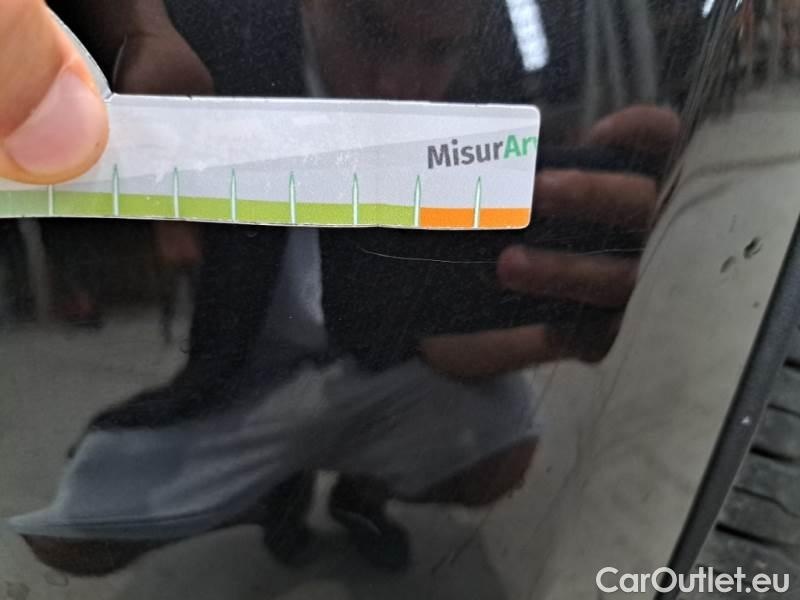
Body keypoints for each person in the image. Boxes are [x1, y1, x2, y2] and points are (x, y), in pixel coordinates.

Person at [1, 0, 679, 576]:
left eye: (437, 51)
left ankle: (361, 492)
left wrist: (558, 333)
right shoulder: (226, 54)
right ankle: (279, 482)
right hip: (244, 382)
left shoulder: (470, 119)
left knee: (506, 443)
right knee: (70, 536)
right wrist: (137, 35)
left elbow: (440, 342)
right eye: (371, 31)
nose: (399, 84)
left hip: (373, 366)